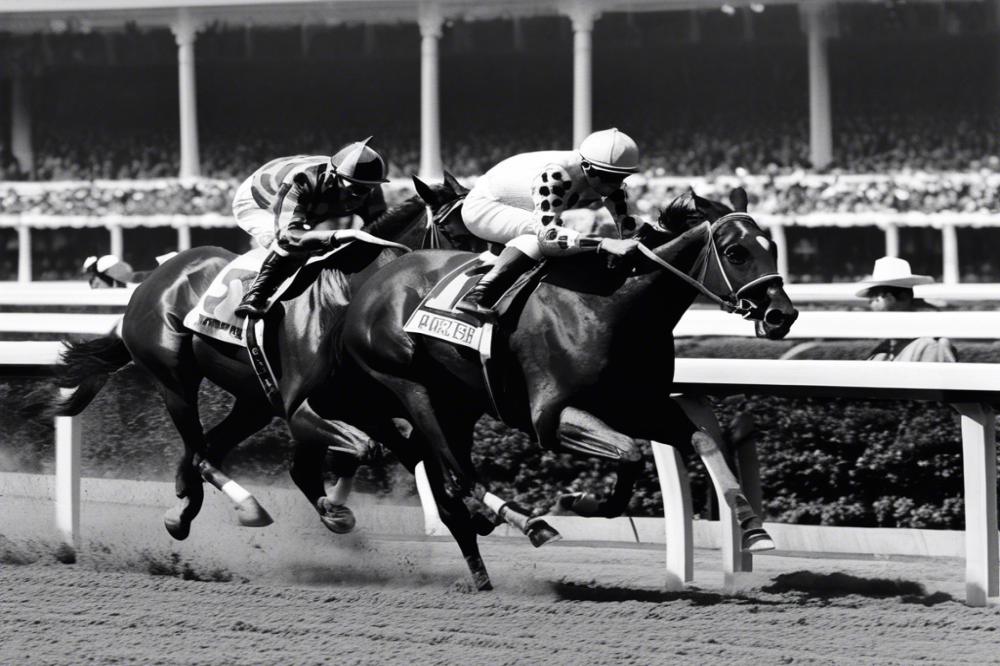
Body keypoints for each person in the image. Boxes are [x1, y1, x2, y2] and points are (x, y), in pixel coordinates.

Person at [456, 128, 645, 318]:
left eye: (622, 176)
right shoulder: (555, 175)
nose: (615, 184)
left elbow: (630, 227)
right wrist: (605, 243)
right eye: (609, 177)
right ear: (586, 166)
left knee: (568, 237)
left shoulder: (604, 176)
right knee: (536, 239)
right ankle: (478, 296)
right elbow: (548, 237)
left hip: (523, 205)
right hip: (484, 206)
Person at [232, 138, 390, 319]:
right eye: (354, 188)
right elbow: (288, 236)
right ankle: (255, 296)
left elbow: (381, 230)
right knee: (293, 248)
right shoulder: (302, 180)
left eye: (367, 189)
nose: (359, 196)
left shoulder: (367, 187)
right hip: (259, 202)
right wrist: (336, 236)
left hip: (310, 205)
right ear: (334, 176)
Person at [855, 256, 957, 362]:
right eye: (871, 297)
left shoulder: (931, 346)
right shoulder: (884, 348)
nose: (871, 303)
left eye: (877, 296)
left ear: (904, 298)